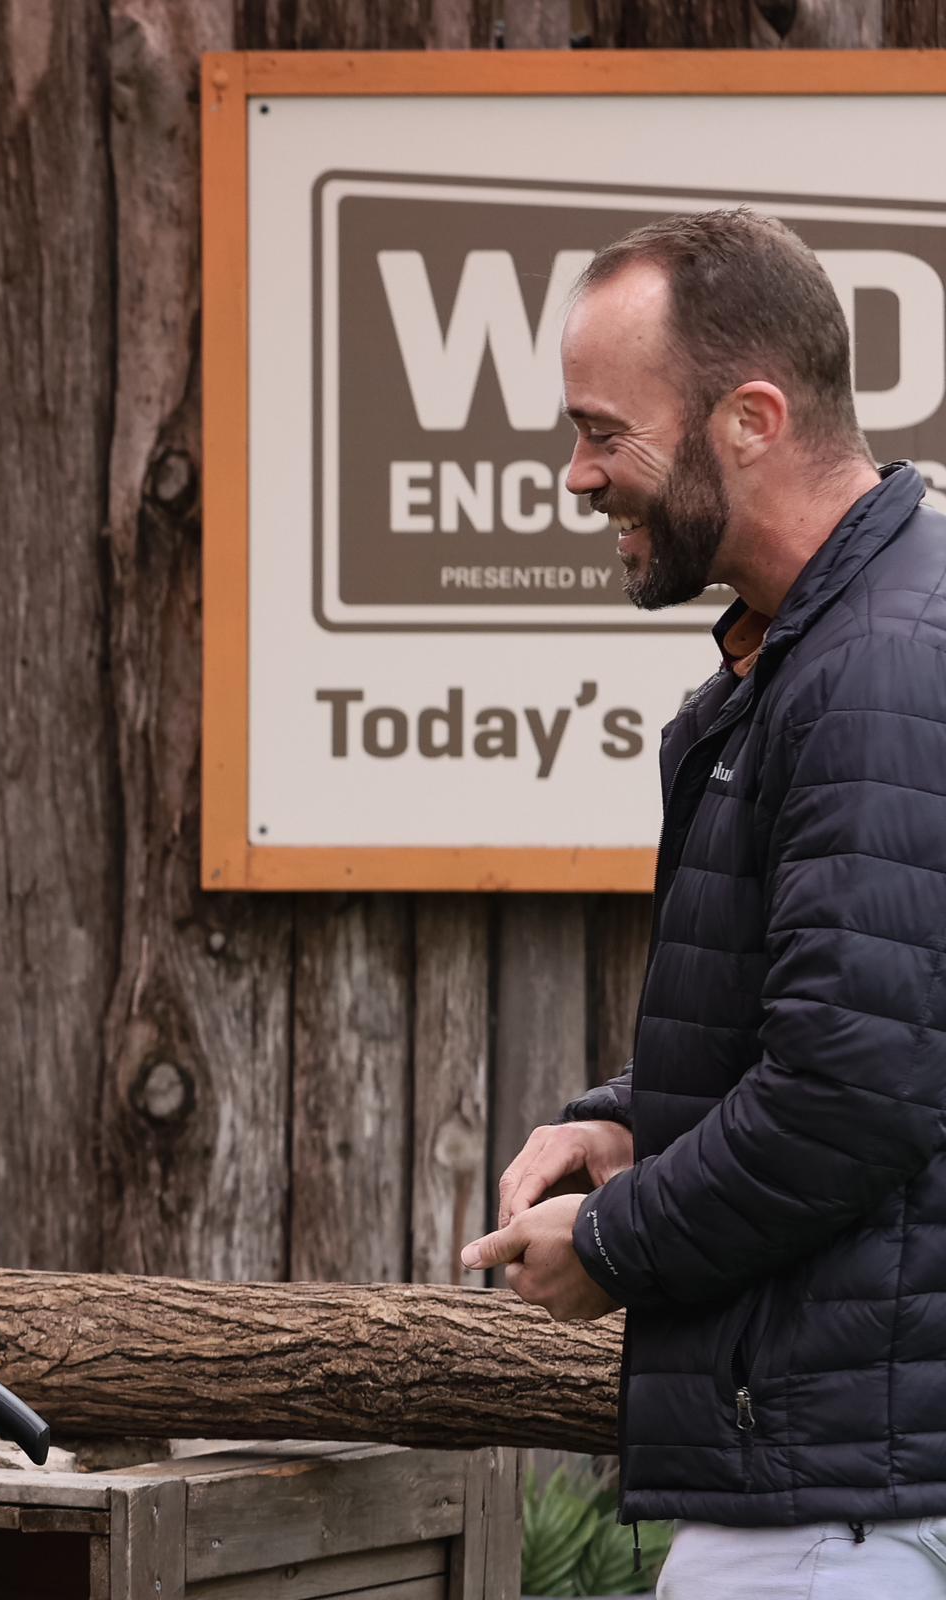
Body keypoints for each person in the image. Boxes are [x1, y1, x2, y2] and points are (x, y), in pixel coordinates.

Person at [459, 209, 946, 1596]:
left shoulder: (878, 669)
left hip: (841, 1512)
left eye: (604, 432)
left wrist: (614, 1244)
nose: (575, 475)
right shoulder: (820, 651)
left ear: (751, 420)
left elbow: (852, 1091)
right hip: (838, 1479)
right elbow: (867, 1021)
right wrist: (631, 1121)